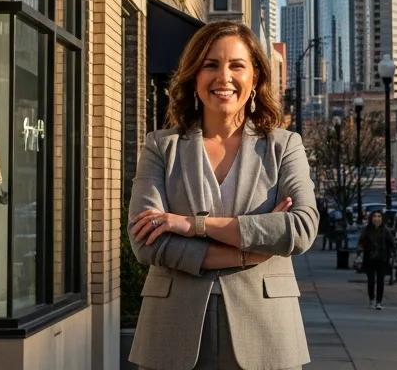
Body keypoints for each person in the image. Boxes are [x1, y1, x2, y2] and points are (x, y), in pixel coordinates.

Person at [128, 20, 318, 370]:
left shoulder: (284, 146)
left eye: (236, 66)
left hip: (266, 330)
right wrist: (250, 252)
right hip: (171, 330)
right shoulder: (161, 146)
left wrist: (192, 225)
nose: (223, 77)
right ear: (194, 76)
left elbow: (301, 228)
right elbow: (147, 242)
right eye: (210, 65)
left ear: (256, 77)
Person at [358, 211, 395, 310]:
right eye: (374, 216)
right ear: (371, 218)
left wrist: (391, 255)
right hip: (369, 259)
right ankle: (372, 299)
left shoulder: (386, 231)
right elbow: (361, 243)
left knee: (380, 281)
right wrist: (362, 251)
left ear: (382, 219)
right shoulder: (366, 230)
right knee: (371, 281)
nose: (377, 218)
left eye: (379, 216)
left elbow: (392, 244)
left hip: (382, 259)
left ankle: (379, 302)